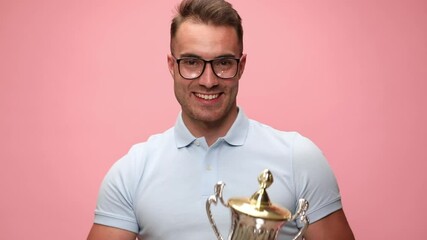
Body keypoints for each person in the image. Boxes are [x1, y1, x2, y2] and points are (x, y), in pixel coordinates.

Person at [87, 0, 355, 239]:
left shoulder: (299, 158)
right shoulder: (131, 172)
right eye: (192, 62)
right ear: (172, 66)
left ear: (241, 66)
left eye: (223, 63)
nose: (208, 80)